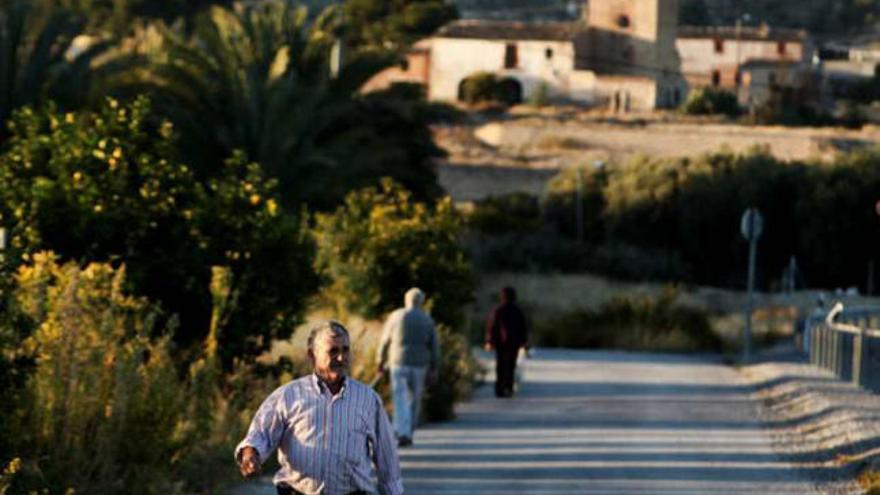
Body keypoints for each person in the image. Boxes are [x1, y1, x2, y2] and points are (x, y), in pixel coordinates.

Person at [235, 320, 403, 495]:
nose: (341, 357)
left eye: (345, 350)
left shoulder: (368, 399)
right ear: (312, 354)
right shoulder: (288, 395)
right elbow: (260, 435)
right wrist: (250, 454)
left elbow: (386, 455)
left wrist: (393, 492)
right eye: (333, 351)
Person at [377, 288, 439, 448]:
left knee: (400, 398)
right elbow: (434, 346)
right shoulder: (427, 319)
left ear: (406, 300)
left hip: (398, 362)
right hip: (419, 364)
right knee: (415, 399)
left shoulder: (396, 316)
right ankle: (408, 431)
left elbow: (384, 341)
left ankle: (401, 430)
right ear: (421, 301)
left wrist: (380, 360)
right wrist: (434, 367)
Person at [485, 286, 528, 398]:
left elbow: (492, 327)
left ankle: (500, 388)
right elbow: (523, 328)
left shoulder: (498, 310)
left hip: (501, 343)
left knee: (500, 365)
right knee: (510, 365)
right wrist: (523, 342)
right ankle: (508, 387)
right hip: (513, 343)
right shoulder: (517, 311)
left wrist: (489, 341)